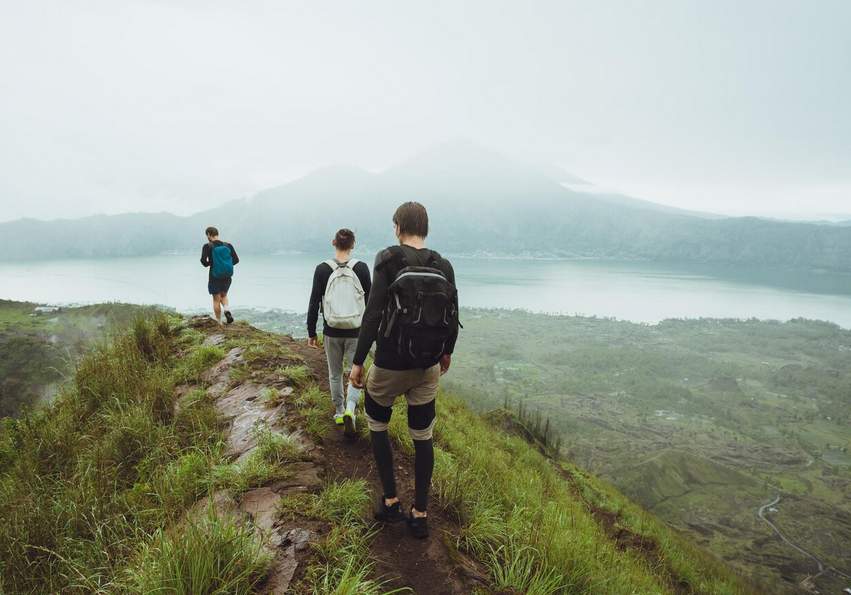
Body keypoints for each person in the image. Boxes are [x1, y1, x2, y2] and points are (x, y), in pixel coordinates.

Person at [349, 202, 459, 539]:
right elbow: (453, 314)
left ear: (398, 227)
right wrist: (446, 353)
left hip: (390, 364)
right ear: (424, 228)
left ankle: (392, 501)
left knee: (377, 423)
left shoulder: (387, 259)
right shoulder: (443, 264)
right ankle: (420, 513)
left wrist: (358, 362)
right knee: (422, 436)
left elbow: (372, 315)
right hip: (427, 366)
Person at [307, 229, 372, 435]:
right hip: (356, 331)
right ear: (353, 245)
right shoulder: (361, 268)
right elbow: (371, 304)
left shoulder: (322, 269)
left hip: (331, 331)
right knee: (356, 371)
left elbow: (314, 302)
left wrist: (311, 332)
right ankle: (351, 410)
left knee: (335, 373)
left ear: (334, 243)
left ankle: (339, 411)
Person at [200, 226, 239, 325]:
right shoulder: (228, 245)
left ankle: (219, 321)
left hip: (214, 276)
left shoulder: (207, 246)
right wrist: (226, 265)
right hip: (227, 276)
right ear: (217, 234)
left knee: (216, 299)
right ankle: (226, 310)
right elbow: (236, 260)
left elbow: (204, 262)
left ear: (209, 234)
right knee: (224, 295)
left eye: (207, 235)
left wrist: (212, 264)